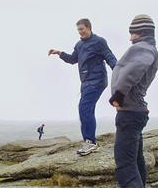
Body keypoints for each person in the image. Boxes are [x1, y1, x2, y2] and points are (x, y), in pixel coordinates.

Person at [48, 18, 117, 156]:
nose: (80, 32)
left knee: (84, 108)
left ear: (89, 27)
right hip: (85, 83)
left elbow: (110, 58)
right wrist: (60, 53)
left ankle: (90, 142)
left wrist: (120, 72)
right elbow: (73, 59)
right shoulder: (79, 45)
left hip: (97, 81)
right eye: (78, 30)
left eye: (82, 29)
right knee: (85, 109)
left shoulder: (99, 42)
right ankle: (88, 141)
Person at [109, 14, 158, 188]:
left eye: (133, 33)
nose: (130, 38)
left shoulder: (143, 48)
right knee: (136, 162)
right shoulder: (148, 48)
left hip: (130, 113)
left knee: (125, 166)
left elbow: (135, 68)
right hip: (135, 112)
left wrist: (119, 94)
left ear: (143, 32)